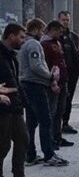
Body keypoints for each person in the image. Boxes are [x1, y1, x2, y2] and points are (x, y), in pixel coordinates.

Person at [19, 19, 68, 167]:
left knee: (31, 123)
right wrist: (50, 76)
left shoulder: (24, 44)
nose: (43, 33)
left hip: (26, 85)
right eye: (42, 30)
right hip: (35, 85)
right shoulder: (33, 44)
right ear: (35, 29)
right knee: (46, 121)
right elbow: (36, 65)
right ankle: (49, 154)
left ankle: (30, 154)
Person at [0, 23, 40, 177]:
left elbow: (15, 81)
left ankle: (19, 176)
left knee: (23, 137)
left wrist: (23, 100)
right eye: (21, 37)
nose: (23, 41)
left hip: (14, 106)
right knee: (2, 144)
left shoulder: (10, 55)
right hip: (2, 107)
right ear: (11, 36)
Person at [41, 21, 74, 149]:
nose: (60, 34)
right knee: (52, 112)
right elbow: (46, 64)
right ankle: (51, 140)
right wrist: (52, 80)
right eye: (58, 32)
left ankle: (58, 136)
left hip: (62, 81)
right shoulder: (44, 44)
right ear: (51, 30)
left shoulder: (57, 42)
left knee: (60, 111)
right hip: (53, 83)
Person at [58, 11, 79, 134]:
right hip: (61, 73)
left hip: (72, 72)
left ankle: (65, 122)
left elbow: (76, 53)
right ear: (59, 20)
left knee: (69, 98)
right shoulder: (55, 36)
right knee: (61, 99)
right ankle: (58, 124)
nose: (65, 22)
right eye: (63, 19)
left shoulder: (73, 36)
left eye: (67, 19)